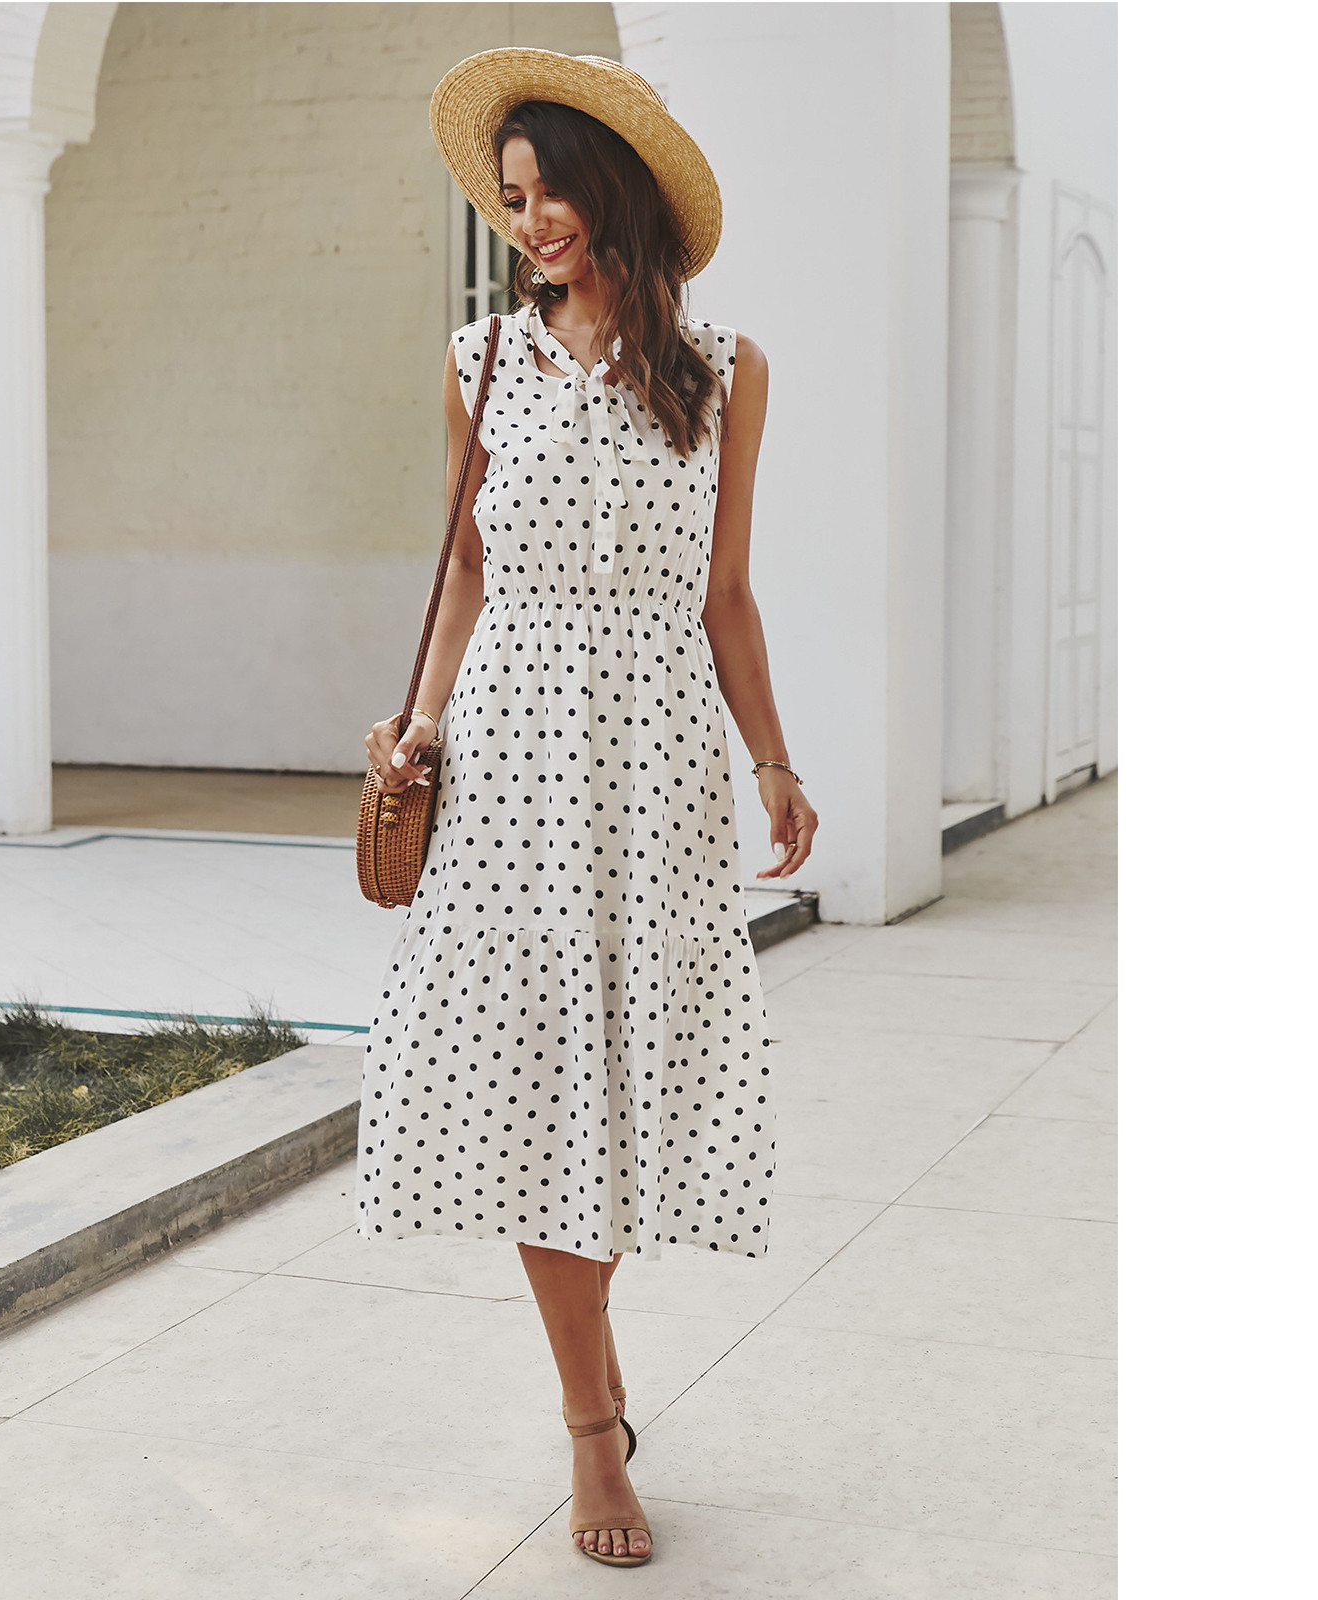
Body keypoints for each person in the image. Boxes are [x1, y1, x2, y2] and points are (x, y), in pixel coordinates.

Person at [356, 49, 817, 1568]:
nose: (530, 219)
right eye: (511, 198)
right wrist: (422, 727)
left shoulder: (729, 370)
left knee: (624, 1087)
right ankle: (588, 1428)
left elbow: (727, 592)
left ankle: (597, 1384)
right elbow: (465, 573)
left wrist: (772, 759)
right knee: (529, 1082)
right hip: (509, 766)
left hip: (658, 766)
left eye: (552, 190)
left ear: (619, 191)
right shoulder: (479, 359)